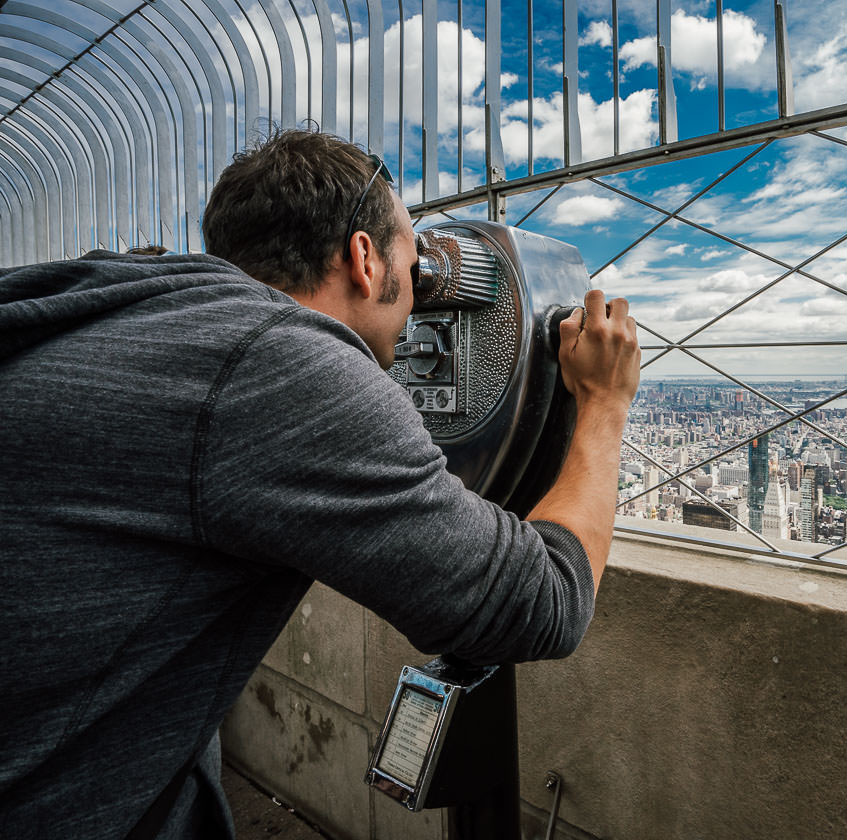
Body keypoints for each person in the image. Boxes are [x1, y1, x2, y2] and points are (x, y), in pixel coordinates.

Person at [0, 129, 639, 837]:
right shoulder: (279, 365)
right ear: (365, 260)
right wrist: (604, 405)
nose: (420, 293)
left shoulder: (122, 309)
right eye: (414, 261)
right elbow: (541, 600)